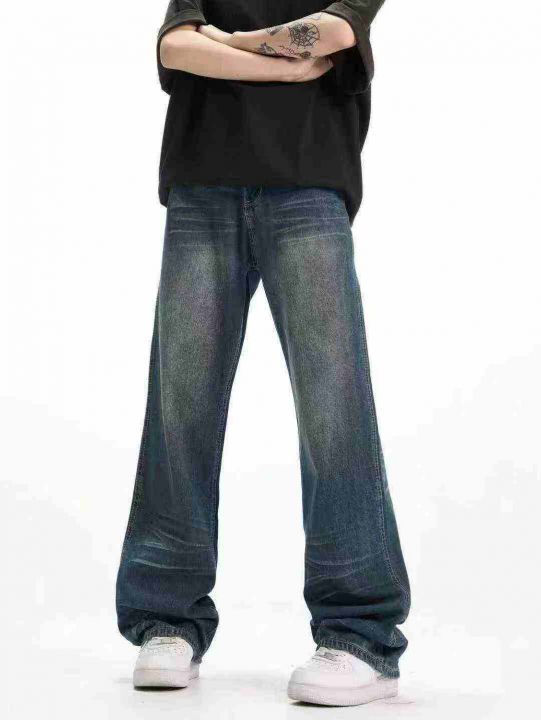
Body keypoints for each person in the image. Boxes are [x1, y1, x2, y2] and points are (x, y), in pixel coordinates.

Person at [115, 0, 411, 707]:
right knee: (181, 407)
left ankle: (360, 636)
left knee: (333, 412)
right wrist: (281, 66)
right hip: (201, 187)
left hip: (308, 186)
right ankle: (167, 620)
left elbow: (335, 31)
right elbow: (176, 48)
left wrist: (228, 43)